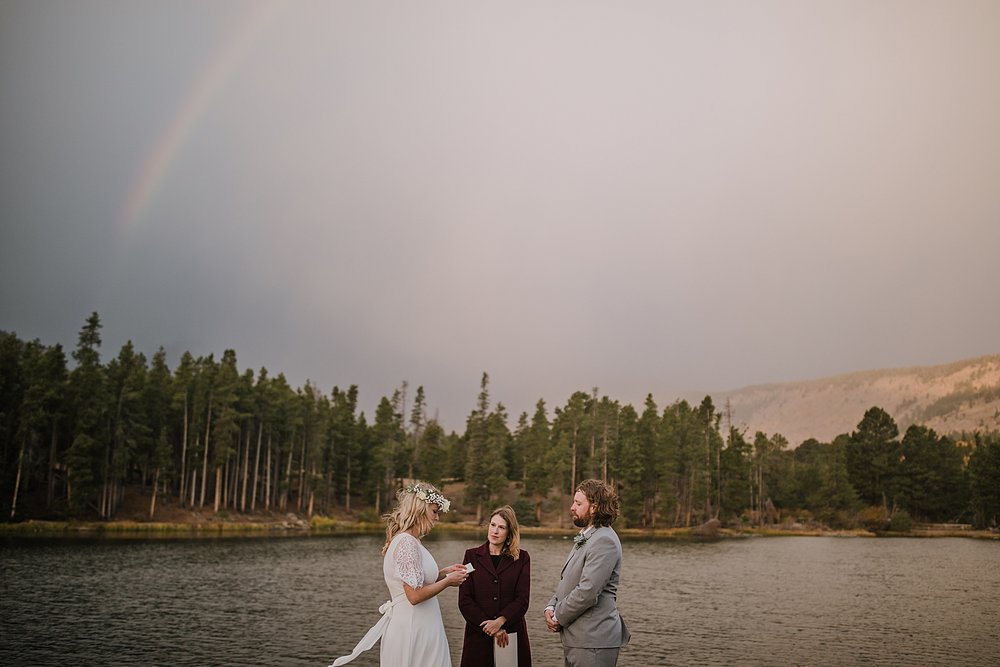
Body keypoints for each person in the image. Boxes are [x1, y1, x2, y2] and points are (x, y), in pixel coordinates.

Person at [330, 482, 468, 667]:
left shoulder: (413, 541)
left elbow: (419, 581)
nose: (437, 518)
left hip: (424, 625)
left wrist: (445, 573)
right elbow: (414, 595)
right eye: (434, 511)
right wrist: (448, 582)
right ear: (420, 509)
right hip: (413, 627)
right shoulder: (406, 543)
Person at [544, 479, 630, 667]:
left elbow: (587, 592)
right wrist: (550, 606)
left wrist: (558, 615)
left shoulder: (604, 540)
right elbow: (568, 580)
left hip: (594, 642)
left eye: (578, 503)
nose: (572, 507)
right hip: (579, 640)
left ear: (594, 508)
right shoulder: (586, 536)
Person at [458, 505, 532, 667]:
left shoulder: (522, 558)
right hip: (478, 636)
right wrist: (491, 627)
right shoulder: (471, 556)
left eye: (501, 527)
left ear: (509, 532)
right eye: (493, 525)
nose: (495, 531)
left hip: (511, 634)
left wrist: (500, 621)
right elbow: (465, 600)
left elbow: (522, 599)